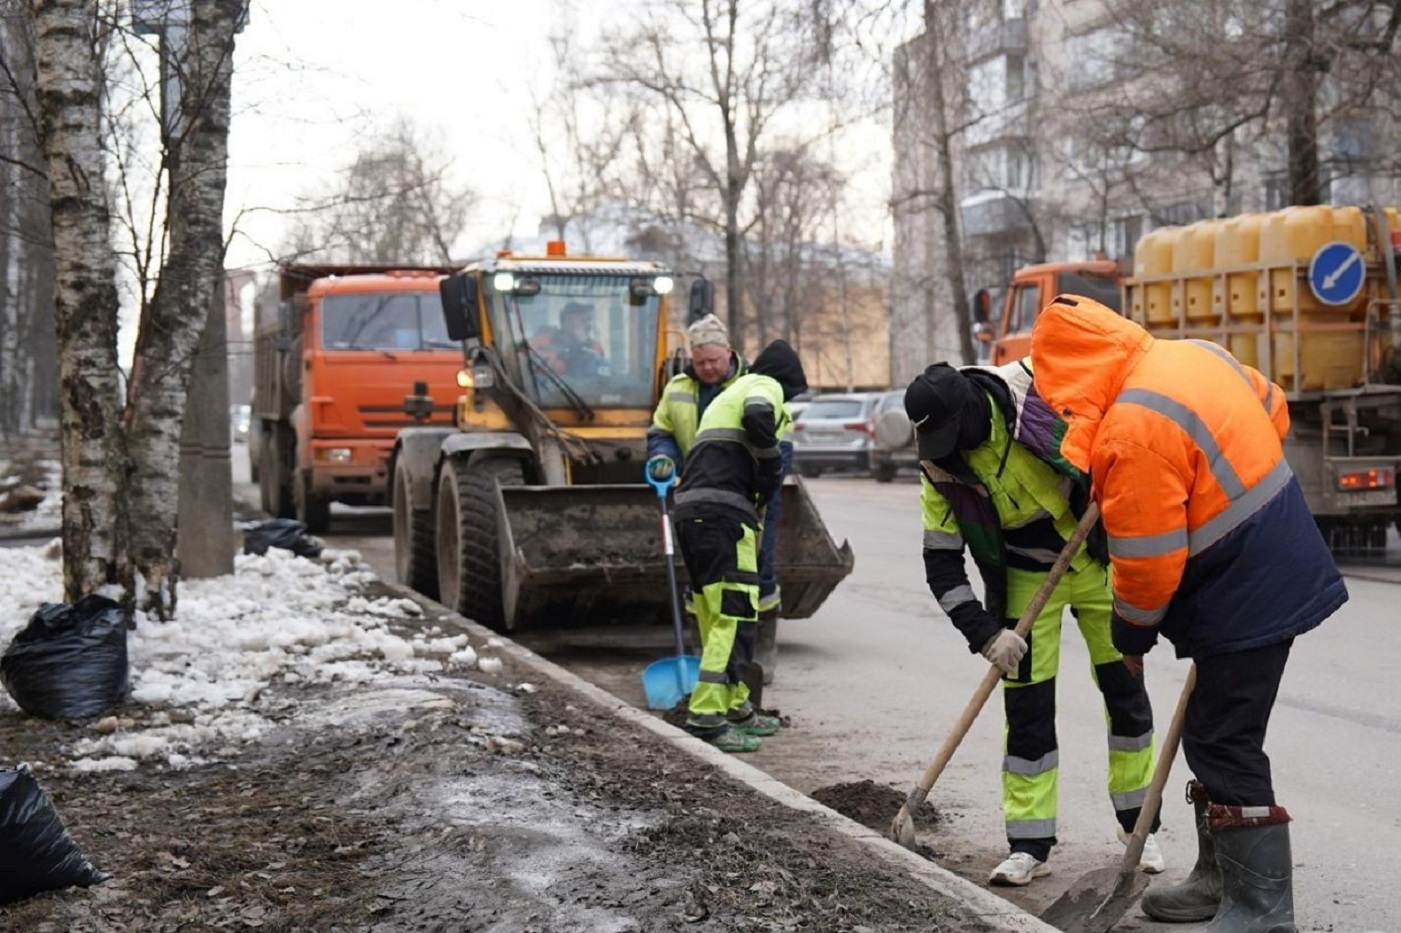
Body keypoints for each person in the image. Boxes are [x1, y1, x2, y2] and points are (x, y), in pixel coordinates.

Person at [1029, 295, 1347, 931]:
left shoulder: (1131, 427)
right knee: (1212, 726)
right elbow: (1271, 407)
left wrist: (1130, 637)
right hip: (1271, 557)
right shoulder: (1193, 356)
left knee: (1223, 738)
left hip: (1247, 584)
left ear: (1070, 371)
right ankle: (1218, 879)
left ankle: (1262, 909)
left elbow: (1148, 563)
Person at [905, 359, 1164, 887]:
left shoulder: (1036, 392)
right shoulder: (940, 466)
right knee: (1027, 709)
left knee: (1125, 692)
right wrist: (985, 634)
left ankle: (1138, 827)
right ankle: (1028, 845)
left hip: (1094, 560)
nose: (949, 451)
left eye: (953, 436)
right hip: (1024, 580)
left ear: (972, 411)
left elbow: (1113, 424)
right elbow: (941, 561)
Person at [656, 339, 807, 753]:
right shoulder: (764, 385)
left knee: (714, 614)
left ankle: (736, 705)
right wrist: (772, 465)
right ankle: (706, 717)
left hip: (692, 514)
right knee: (734, 617)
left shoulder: (728, 393)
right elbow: (760, 416)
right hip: (725, 518)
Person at [647, 314, 791, 680]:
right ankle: (709, 657)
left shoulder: (752, 385)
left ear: (729, 352)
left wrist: (766, 486)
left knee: (757, 571)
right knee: (704, 578)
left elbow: (774, 439)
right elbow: (661, 431)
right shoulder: (678, 388)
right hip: (697, 492)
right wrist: (662, 456)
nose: (708, 368)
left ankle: (758, 654)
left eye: (714, 360)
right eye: (700, 362)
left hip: (748, 494)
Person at [534, 301, 606, 376]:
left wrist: (584, 345)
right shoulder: (541, 343)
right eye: (584, 321)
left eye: (589, 320)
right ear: (569, 323)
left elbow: (602, 374)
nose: (589, 326)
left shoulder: (595, 347)